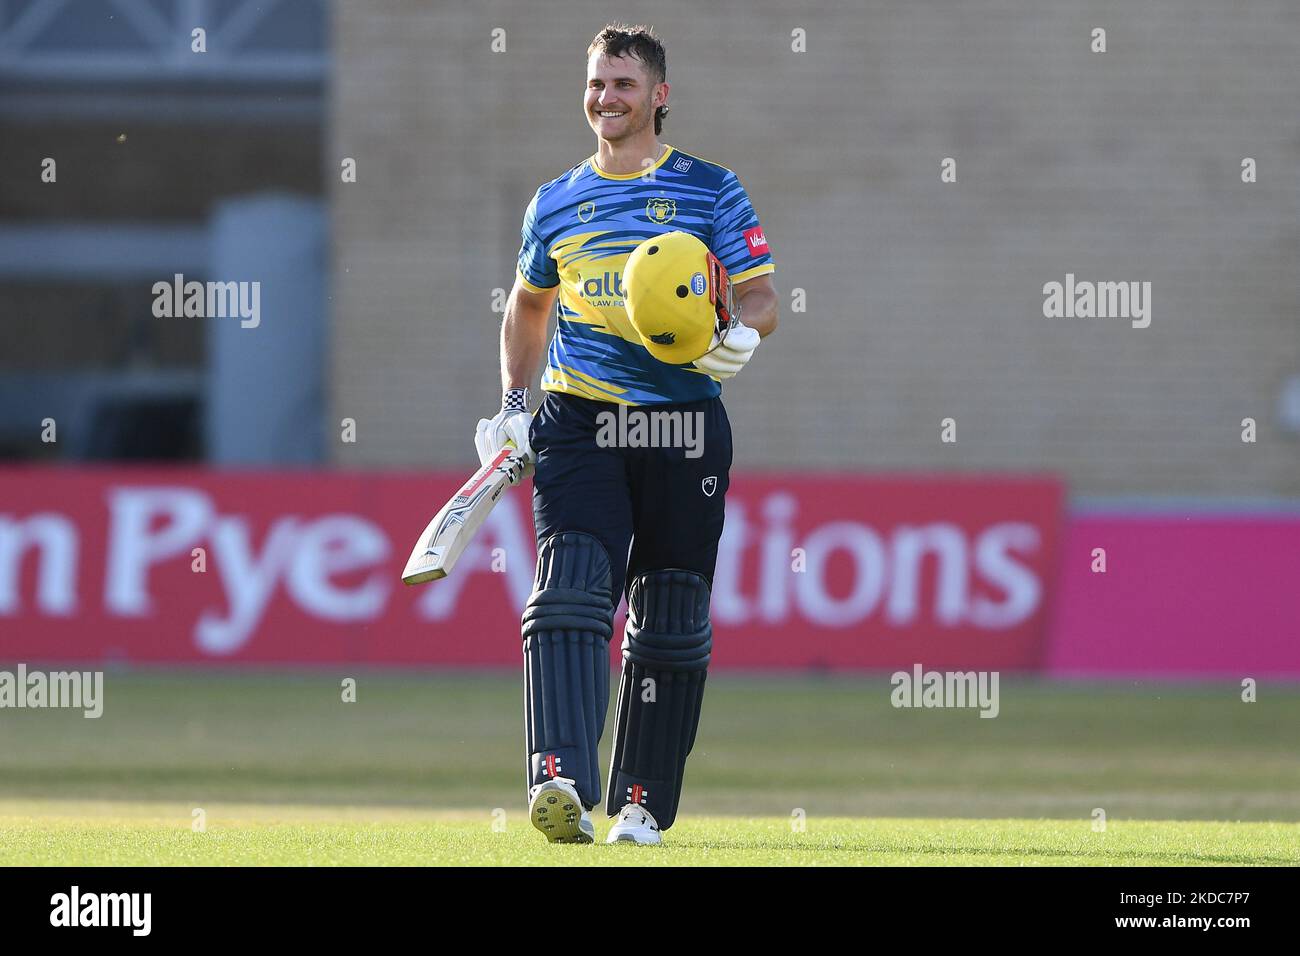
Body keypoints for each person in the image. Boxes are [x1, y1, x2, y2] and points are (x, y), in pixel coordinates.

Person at [475, 23, 777, 845]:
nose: (607, 98)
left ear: (660, 96)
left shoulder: (711, 189)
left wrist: (740, 336)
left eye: (624, 84)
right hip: (579, 418)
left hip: (683, 422)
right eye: (597, 83)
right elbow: (530, 305)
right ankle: (561, 778)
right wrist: (511, 403)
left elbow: (761, 297)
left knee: (671, 614)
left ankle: (640, 803)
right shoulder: (557, 200)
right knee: (570, 584)